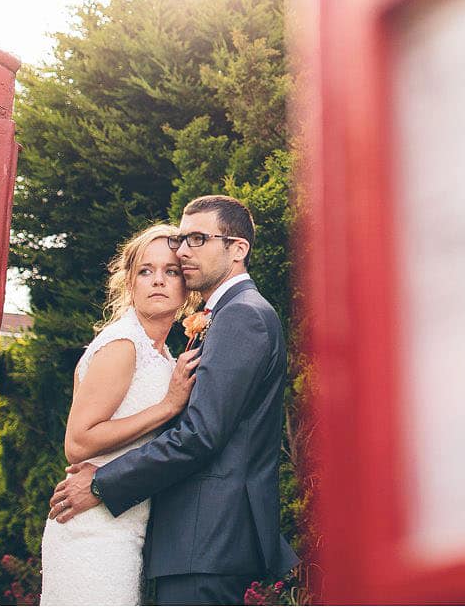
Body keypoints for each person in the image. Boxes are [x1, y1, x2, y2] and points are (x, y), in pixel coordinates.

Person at [48, 195, 298, 605]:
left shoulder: (242, 316)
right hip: (187, 538)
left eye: (198, 239)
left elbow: (200, 435)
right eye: (183, 239)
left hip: (207, 536)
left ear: (238, 249)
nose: (184, 251)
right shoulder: (212, 322)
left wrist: (102, 483)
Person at [39, 223, 202, 605]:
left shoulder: (162, 354)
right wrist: (167, 407)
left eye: (170, 271)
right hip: (92, 531)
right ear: (129, 283)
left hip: (124, 523)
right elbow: (78, 443)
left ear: (185, 286)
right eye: (145, 271)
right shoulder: (123, 345)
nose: (158, 280)